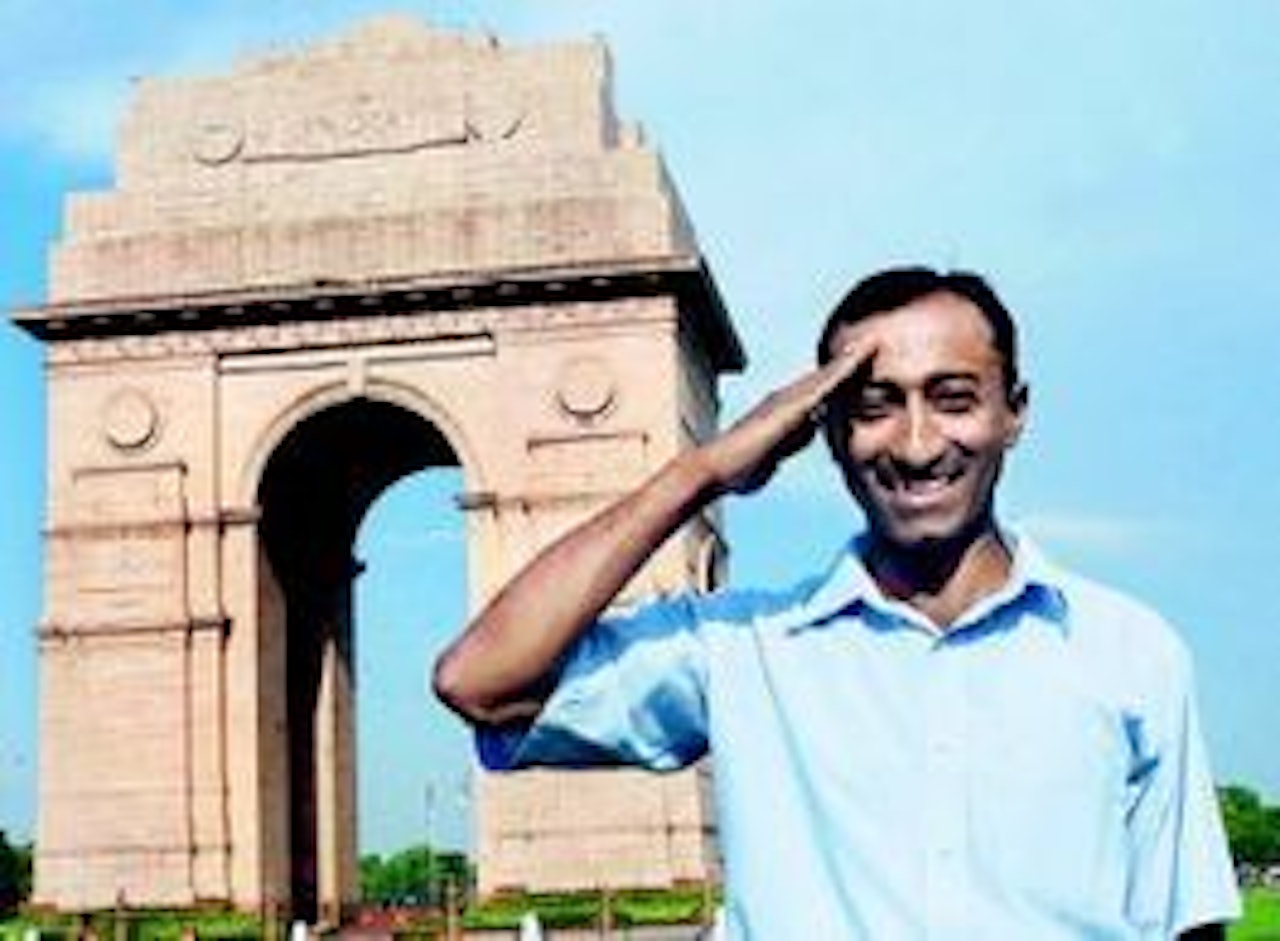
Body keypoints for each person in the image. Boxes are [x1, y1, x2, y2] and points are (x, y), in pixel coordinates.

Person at [434, 266, 1241, 939]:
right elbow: (481, 680)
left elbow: (1188, 923)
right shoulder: (743, 647)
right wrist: (702, 471)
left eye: (954, 397)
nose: (918, 445)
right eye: (874, 405)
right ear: (825, 433)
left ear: (1015, 412)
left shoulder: (1132, 652)